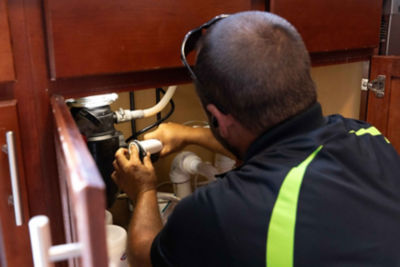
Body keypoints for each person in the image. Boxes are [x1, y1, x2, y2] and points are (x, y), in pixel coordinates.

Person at [112, 11, 400, 267]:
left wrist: (144, 190)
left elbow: (143, 257)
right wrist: (188, 135)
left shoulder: (219, 212)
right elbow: (279, 152)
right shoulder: (368, 136)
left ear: (219, 118)